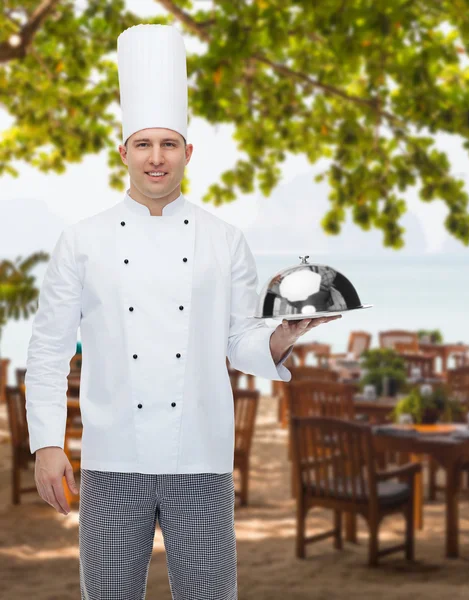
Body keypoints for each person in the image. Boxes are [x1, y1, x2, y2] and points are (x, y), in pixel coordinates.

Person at [24, 24, 340, 600]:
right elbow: (48, 349)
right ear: (123, 151)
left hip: (202, 457)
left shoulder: (224, 239)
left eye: (169, 144)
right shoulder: (83, 240)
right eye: (143, 144)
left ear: (188, 152)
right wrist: (47, 443)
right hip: (111, 459)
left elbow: (241, 341)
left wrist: (283, 336)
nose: (156, 158)